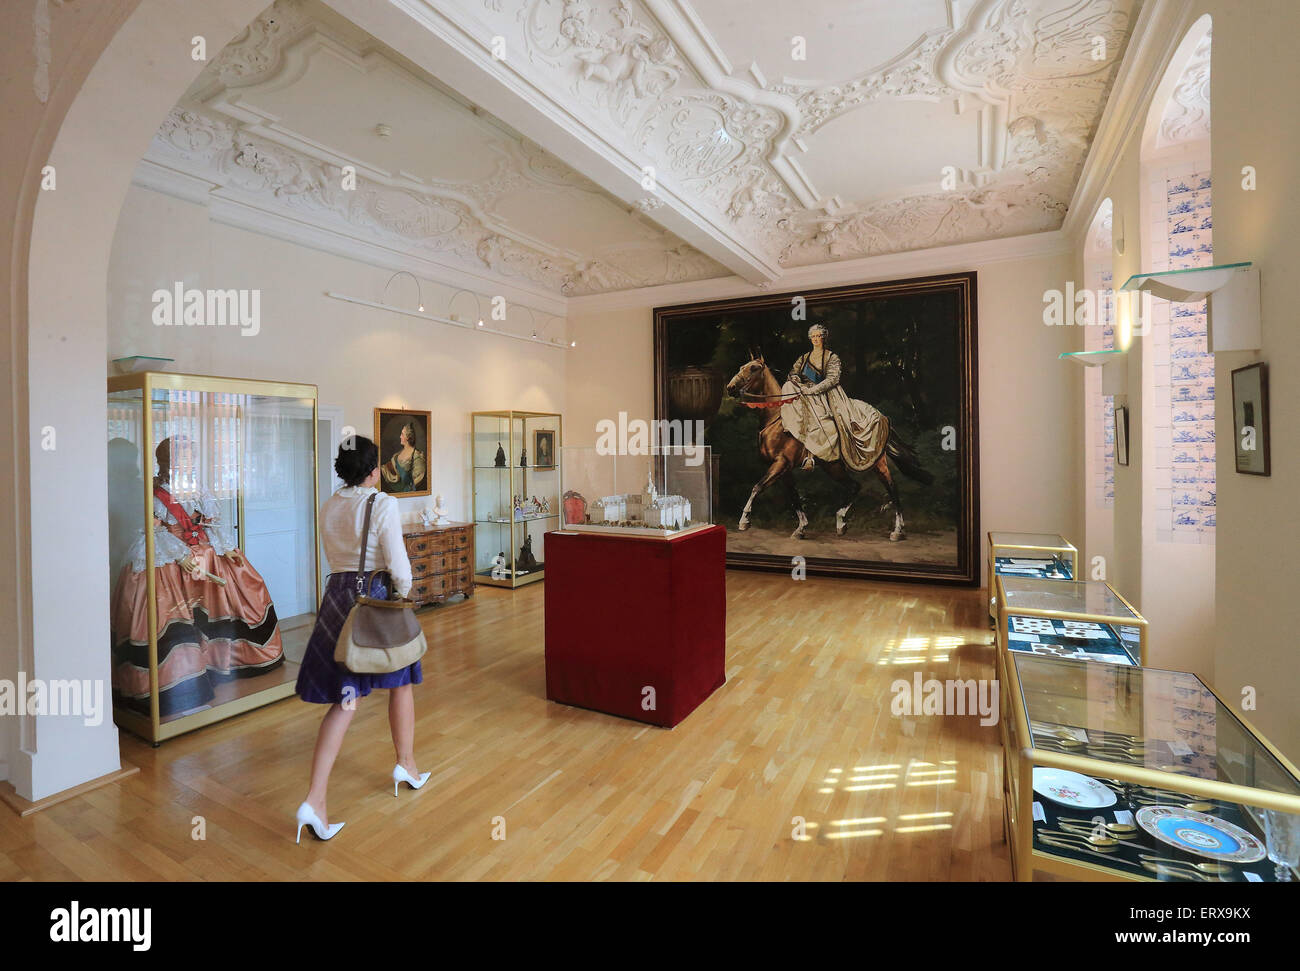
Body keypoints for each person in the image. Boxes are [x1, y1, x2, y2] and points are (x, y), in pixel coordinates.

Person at [294, 435, 429, 843]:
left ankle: (316, 799)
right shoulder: (382, 503)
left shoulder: (330, 505)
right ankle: (405, 764)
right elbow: (399, 566)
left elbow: (338, 559)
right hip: (376, 600)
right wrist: (405, 596)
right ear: (373, 471)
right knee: (401, 678)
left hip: (337, 601)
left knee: (344, 700)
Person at [110, 436, 284, 718]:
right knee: (169, 613)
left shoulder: (198, 488)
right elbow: (151, 531)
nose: (189, 461)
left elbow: (212, 522)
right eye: (184, 456)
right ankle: (184, 678)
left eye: (191, 455)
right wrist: (178, 554)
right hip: (173, 558)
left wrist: (227, 548)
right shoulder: (156, 494)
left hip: (208, 556)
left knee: (244, 590)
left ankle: (225, 663)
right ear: (169, 461)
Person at [781, 323, 889, 472]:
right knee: (788, 388)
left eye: (818, 336)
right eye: (813, 336)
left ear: (824, 338)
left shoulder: (832, 357)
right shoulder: (804, 358)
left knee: (823, 420)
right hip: (805, 391)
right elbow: (793, 373)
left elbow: (832, 379)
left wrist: (813, 390)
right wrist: (796, 380)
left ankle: (815, 456)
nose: (816, 339)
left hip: (828, 394)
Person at [380, 420, 426, 493]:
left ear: (408, 437)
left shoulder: (417, 456)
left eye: (402, 434)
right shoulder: (397, 454)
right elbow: (389, 469)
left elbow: (417, 477)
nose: (400, 436)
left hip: (407, 492)